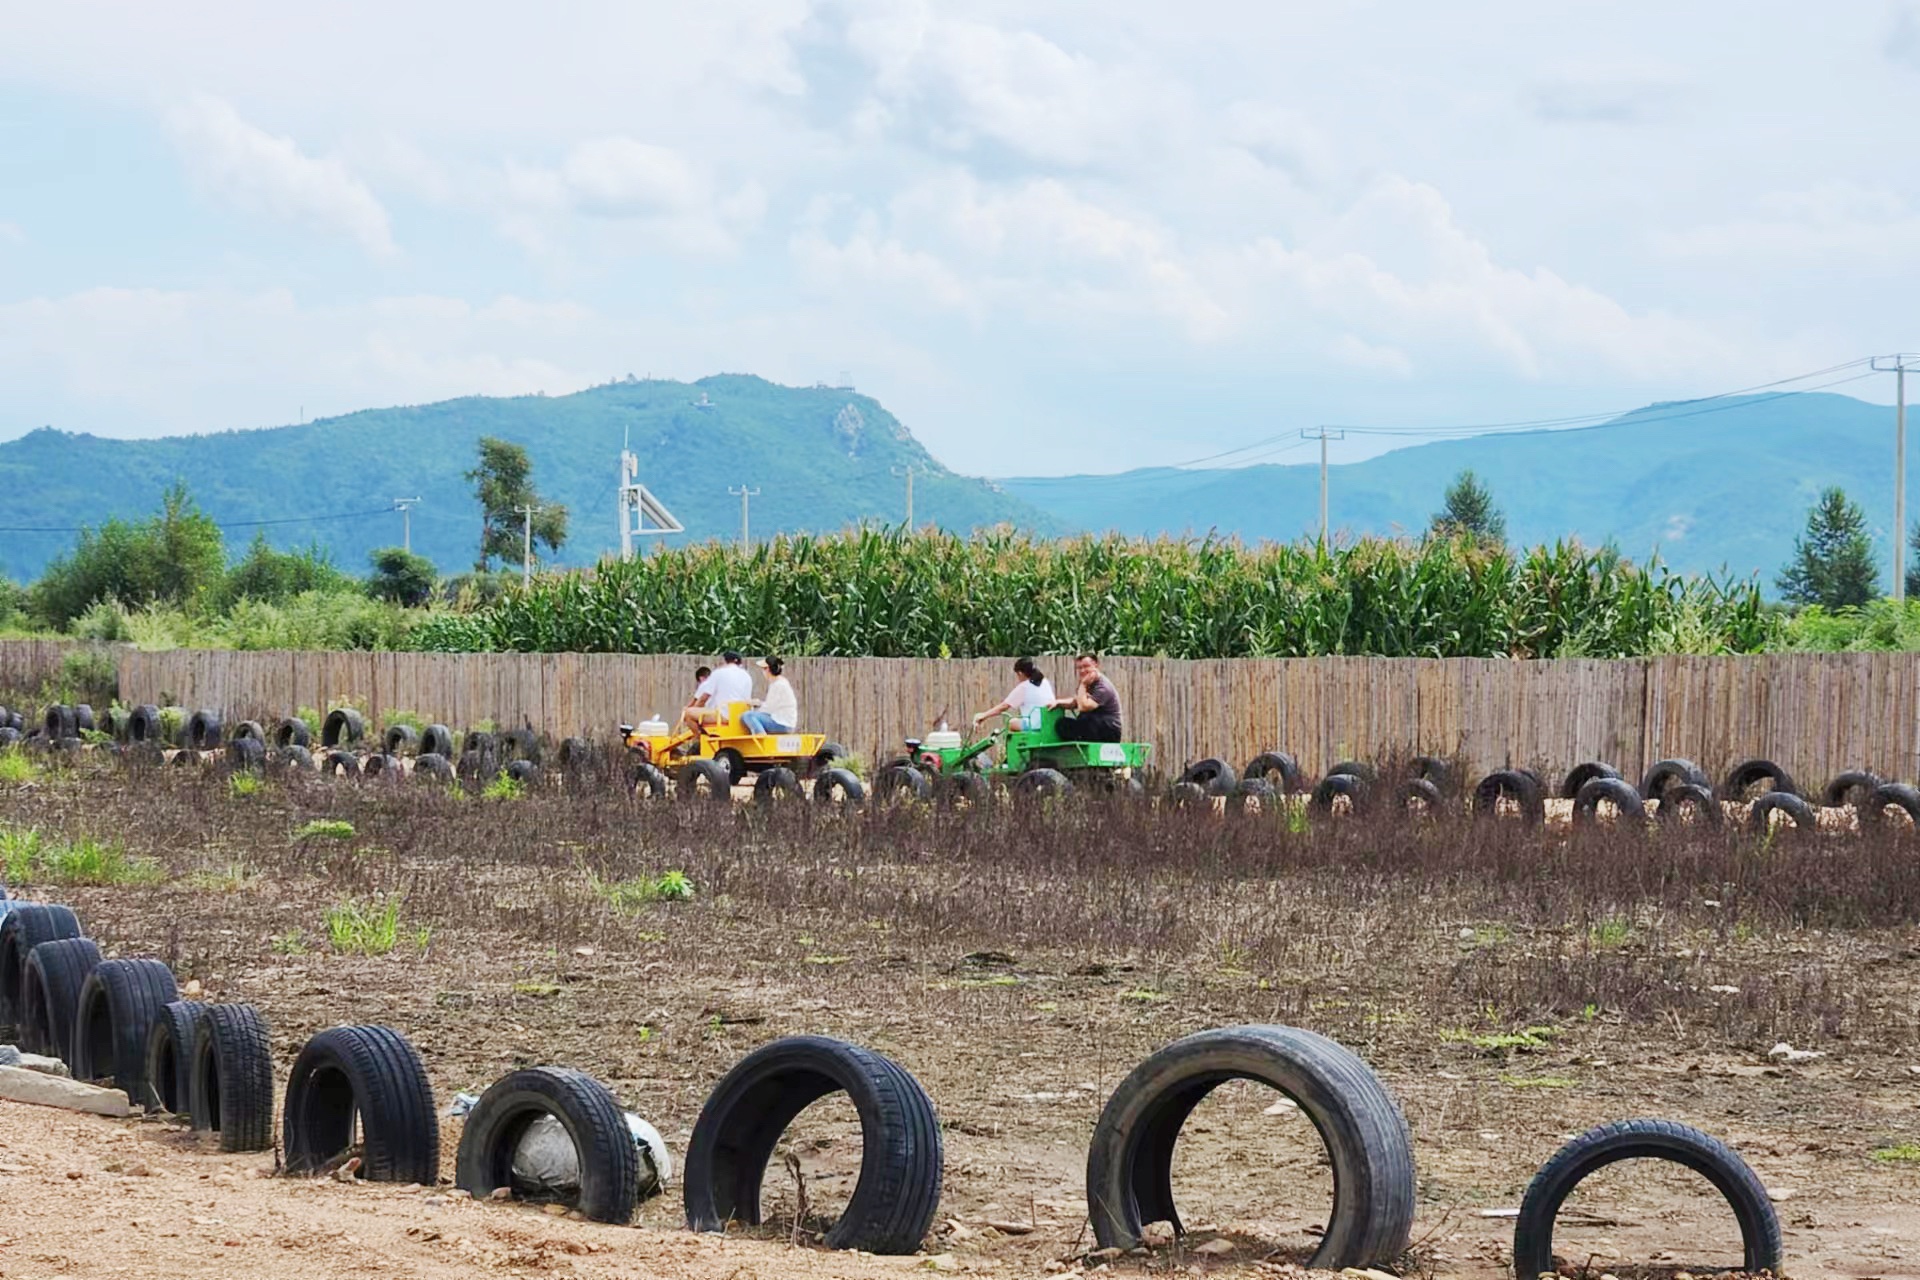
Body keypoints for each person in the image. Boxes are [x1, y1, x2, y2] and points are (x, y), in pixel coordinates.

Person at [1051, 652, 1122, 743]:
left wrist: (1083, 685)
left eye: (1086, 666)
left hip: (1109, 731)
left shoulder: (1103, 687)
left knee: (1087, 717)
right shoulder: (1089, 683)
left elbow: (1083, 707)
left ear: (1096, 665)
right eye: (1080, 668)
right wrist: (1057, 702)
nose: (1082, 670)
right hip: (1094, 727)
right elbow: (1076, 701)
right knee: (1062, 724)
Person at [681, 651, 755, 732]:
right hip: (741, 715)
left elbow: (704, 698)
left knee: (688, 713)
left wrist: (695, 709)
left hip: (724, 715)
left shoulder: (719, 673)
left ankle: (700, 740)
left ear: (725, 661)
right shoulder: (747, 676)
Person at [973, 658, 1055, 729]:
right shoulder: (1044, 682)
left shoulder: (1024, 687)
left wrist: (984, 715)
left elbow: (1004, 706)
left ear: (1020, 673)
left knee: (1011, 722)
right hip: (1049, 722)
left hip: (1035, 725)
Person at [740, 657, 797, 734]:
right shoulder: (781, 683)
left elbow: (768, 709)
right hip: (785, 722)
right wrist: (759, 703)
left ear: (768, 669)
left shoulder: (778, 685)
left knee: (748, 715)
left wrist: (756, 709)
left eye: (763, 669)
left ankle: (761, 737)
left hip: (781, 723)